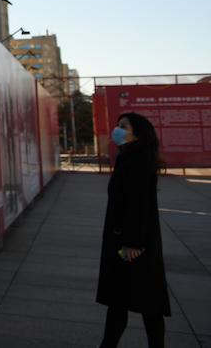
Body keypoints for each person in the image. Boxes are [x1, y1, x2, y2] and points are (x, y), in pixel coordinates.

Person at [96, 112, 170, 348]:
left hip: (131, 245)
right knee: (126, 299)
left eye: (123, 126)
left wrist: (132, 243)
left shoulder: (137, 163)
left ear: (137, 134)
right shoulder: (128, 159)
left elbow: (138, 206)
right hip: (126, 241)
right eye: (117, 125)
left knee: (142, 300)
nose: (117, 129)